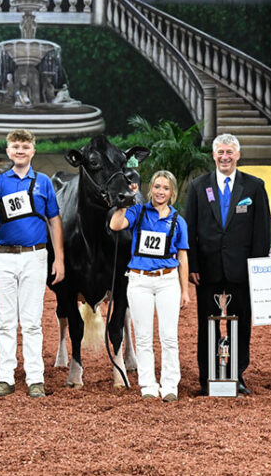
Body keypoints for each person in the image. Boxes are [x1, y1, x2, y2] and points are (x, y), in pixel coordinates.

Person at [185, 133, 271, 396]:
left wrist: (256, 267)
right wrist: (192, 266)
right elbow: (190, 229)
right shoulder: (198, 186)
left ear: (238, 155)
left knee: (241, 322)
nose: (225, 157)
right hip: (207, 270)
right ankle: (207, 377)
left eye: (229, 152)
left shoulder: (254, 187)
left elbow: (262, 231)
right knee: (207, 322)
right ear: (213, 155)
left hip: (241, 270)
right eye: (220, 152)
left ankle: (237, 375)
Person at [0, 129, 65, 398]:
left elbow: (54, 220)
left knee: (31, 321)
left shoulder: (43, 182)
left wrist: (59, 259)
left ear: (33, 151)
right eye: (15, 146)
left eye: (25, 146)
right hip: (3, 255)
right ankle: (5, 379)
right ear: (7, 151)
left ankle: (35, 379)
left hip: (35, 256)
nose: (20, 151)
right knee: (5, 321)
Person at [110, 170, 190, 402]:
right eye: (156, 187)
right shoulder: (138, 211)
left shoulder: (178, 220)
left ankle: (170, 385)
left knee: (169, 336)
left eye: (165, 188)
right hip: (139, 280)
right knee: (143, 336)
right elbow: (116, 225)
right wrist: (125, 201)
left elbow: (183, 257)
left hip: (167, 280)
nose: (160, 192)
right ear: (150, 189)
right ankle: (148, 385)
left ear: (172, 192)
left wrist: (184, 290)